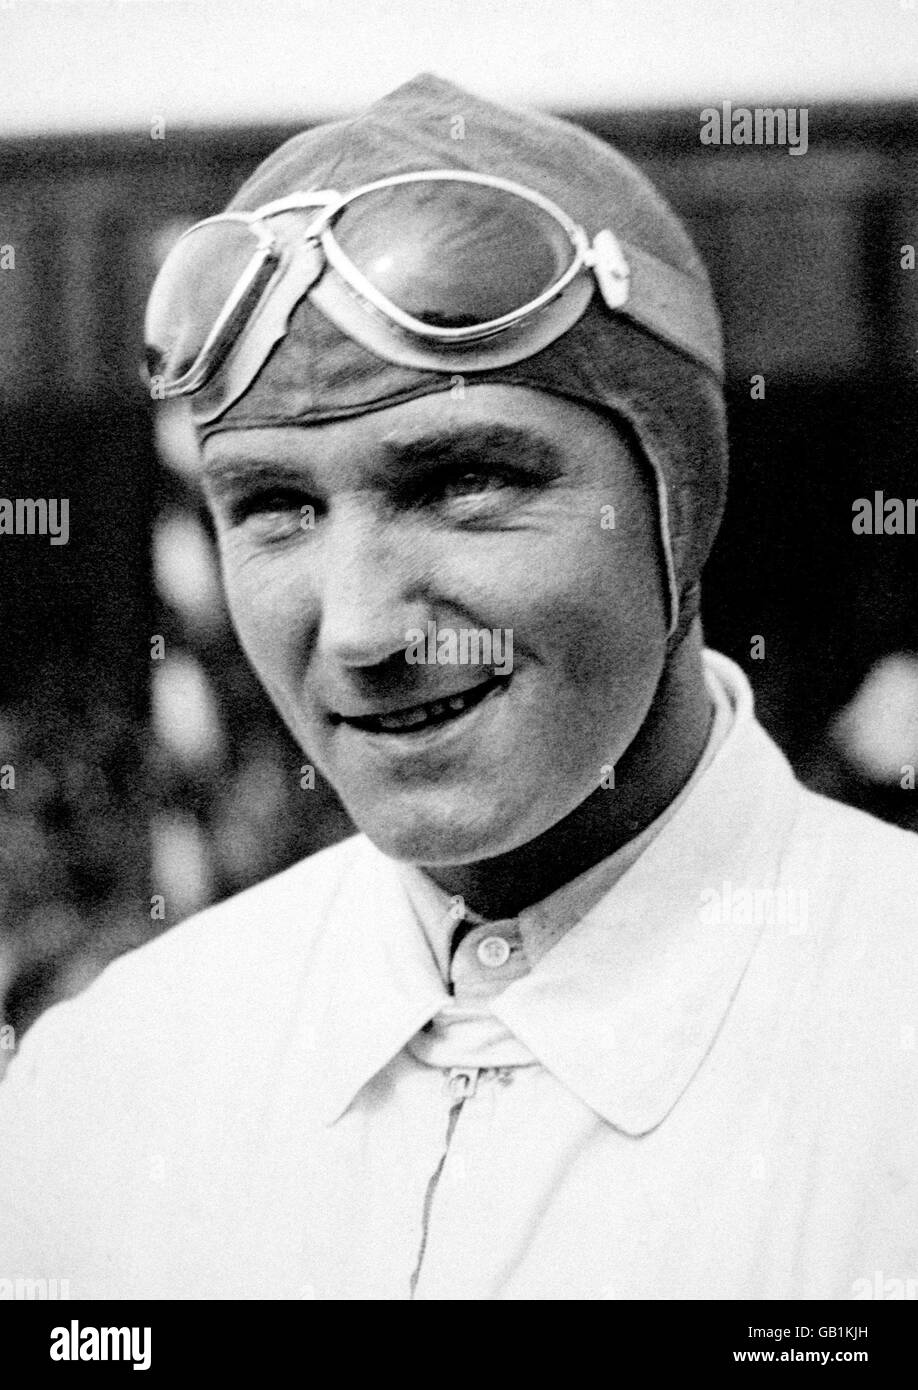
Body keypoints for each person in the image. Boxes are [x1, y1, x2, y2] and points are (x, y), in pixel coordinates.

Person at [1, 73, 916, 1302]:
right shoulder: (110, 1083)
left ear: (678, 504)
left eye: (462, 481)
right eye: (275, 507)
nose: (363, 627)